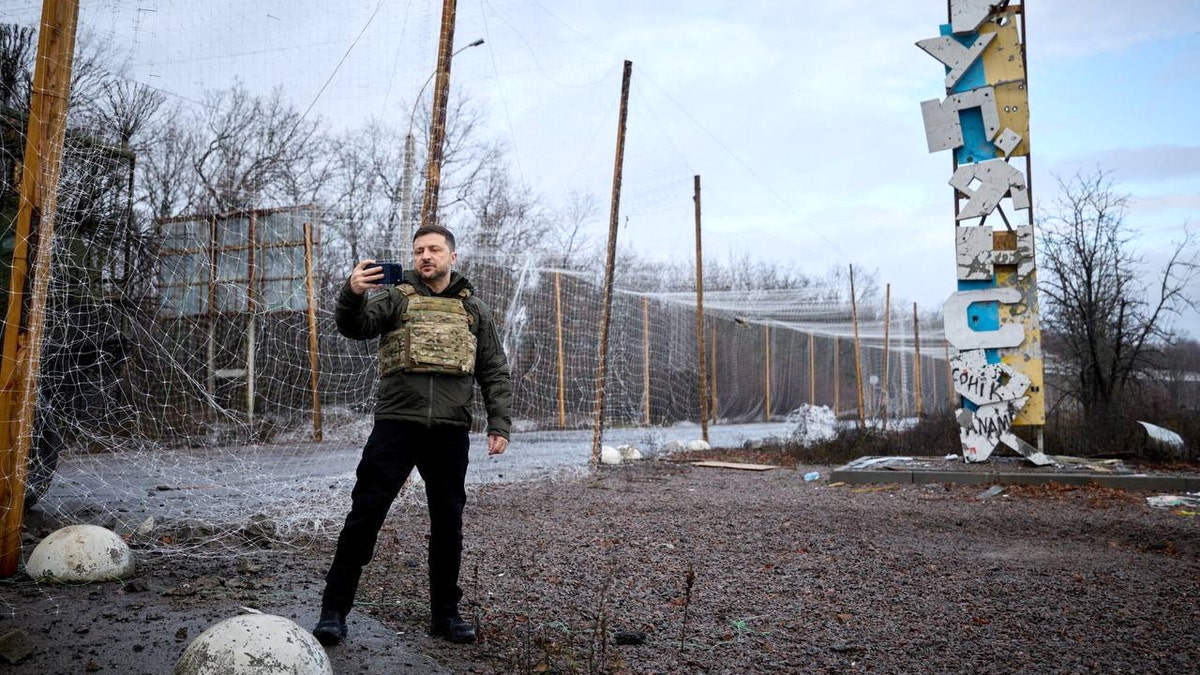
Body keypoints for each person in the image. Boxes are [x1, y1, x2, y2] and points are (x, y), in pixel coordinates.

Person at [314, 224, 512, 646]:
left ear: (452, 257)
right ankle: (333, 612)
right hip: (396, 425)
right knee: (365, 515)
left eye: (434, 249)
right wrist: (352, 292)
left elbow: (494, 368)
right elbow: (355, 326)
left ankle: (446, 615)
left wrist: (499, 424)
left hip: (450, 430)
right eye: (420, 250)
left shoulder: (474, 309)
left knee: (448, 524)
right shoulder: (395, 297)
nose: (426, 256)